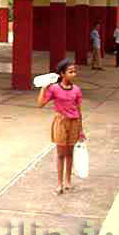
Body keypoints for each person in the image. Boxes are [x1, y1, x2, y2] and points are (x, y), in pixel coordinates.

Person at [37, 58, 86, 196]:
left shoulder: (76, 90)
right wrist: (43, 88)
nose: (74, 74)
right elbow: (40, 104)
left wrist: (81, 130)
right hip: (60, 122)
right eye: (70, 72)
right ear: (62, 74)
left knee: (70, 153)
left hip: (74, 122)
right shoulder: (54, 88)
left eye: (74, 71)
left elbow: (79, 110)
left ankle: (68, 181)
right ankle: (59, 183)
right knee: (60, 154)